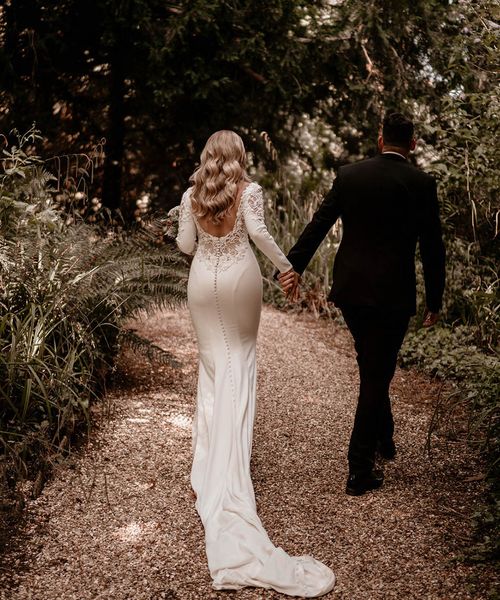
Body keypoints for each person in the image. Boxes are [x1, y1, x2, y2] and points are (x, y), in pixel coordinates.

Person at [176, 130, 335, 596]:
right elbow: (261, 236)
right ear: (240, 157)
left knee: (211, 369)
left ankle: (206, 471)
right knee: (238, 363)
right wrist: (288, 270)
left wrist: (186, 218)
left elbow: (186, 247)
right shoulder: (251, 192)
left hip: (203, 281)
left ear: (207, 157)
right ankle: (229, 471)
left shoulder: (191, 195)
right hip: (242, 281)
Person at [279, 113, 446, 496]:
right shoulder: (421, 183)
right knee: (376, 373)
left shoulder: (350, 175)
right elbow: (433, 248)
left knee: (373, 365)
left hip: (352, 291)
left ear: (380, 139)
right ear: (413, 144)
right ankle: (359, 469)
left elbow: (319, 223)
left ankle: (384, 439)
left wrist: (293, 267)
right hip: (393, 294)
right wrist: (434, 299)